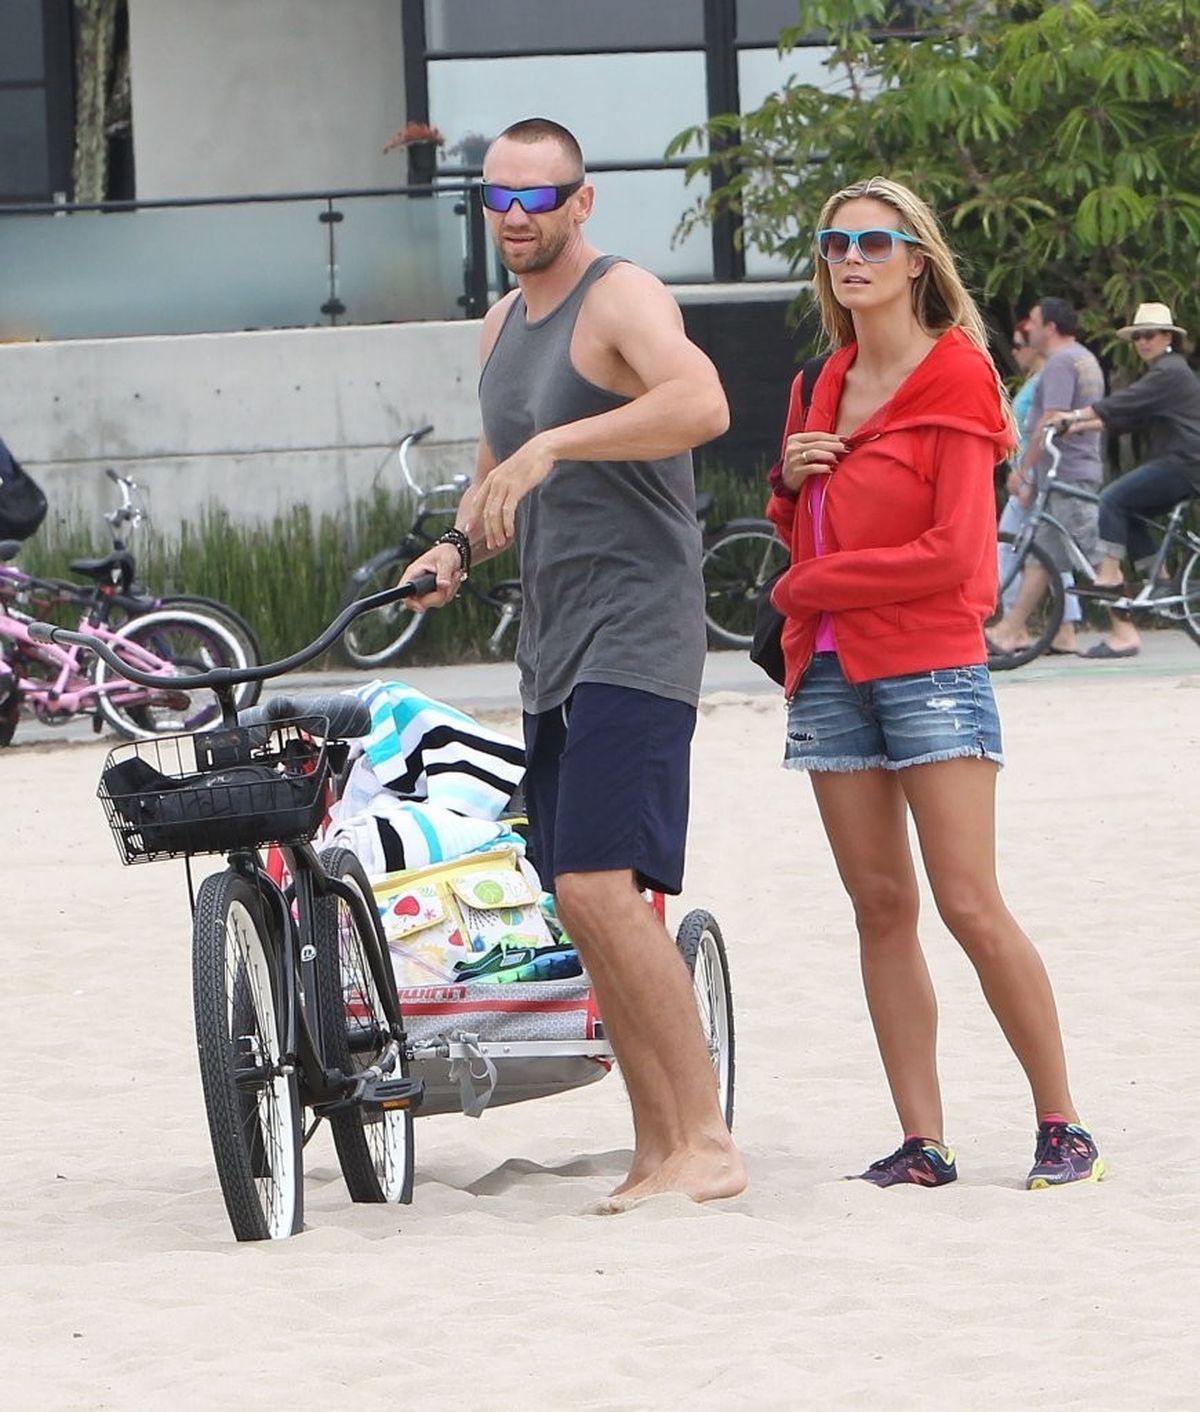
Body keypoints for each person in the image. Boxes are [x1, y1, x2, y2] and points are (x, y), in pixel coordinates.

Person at [400, 117, 745, 1206]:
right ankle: (659, 1149)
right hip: (550, 642)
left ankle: (710, 1142)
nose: (513, 216)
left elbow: (702, 403)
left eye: (536, 199)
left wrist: (559, 443)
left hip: (637, 630)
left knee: (602, 881)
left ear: (581, 203)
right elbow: (499, 465)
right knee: (580, 897)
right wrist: (458, 542)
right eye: (496, 199)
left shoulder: (622, 295)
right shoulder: (501, 323)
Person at [767, 176, 1103, 1190]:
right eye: (835, 241)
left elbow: (957, 557)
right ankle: (925, 1141)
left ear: (918, 259)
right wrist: (787, 486)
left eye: (875, 239)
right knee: (879, 905)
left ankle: (1064, 1125)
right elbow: (805, 528)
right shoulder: (816, 387)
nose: (852, 255)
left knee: (967, 900)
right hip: (826, 668)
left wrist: (810, 580)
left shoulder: (957, 378)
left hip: (929, 666)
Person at [1056, 301, 1200, 658]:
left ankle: (1108, 574)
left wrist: (1073, 414)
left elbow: (1125, 403)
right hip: (1180, 462)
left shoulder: (1169, 371)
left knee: (1112, 499)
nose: (1143, 342)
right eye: (1138, 337)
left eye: (1149, 335)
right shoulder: (1164, 373)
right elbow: (1129, 418)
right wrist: (1079, 426)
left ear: (1168, 337)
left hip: (1185, 464)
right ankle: (1163, 582)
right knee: (1130, 514)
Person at [986, 298, 1105, 657]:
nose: (1028, 329)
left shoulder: (1059, 365)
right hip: (1072, 470)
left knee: (1097, 555)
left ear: (1050, 328)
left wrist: (1024, 471)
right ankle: (1017, 629)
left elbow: (1049, 421)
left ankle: (1125, 624)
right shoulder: (1085, 358)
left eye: (1033, 323)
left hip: (1065, 470)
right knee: (1049, 556)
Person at [995, 318, 1083, 650]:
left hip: (1034, 477)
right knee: (1048, 550)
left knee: (1010, 548)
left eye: (1020, 344)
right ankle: (1064, 626)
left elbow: (1044, 430)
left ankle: (1018, 625)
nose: (1016, 350)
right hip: (1027, 475)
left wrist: (1028, 474)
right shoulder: (1036, 380)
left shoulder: (1046, 379)